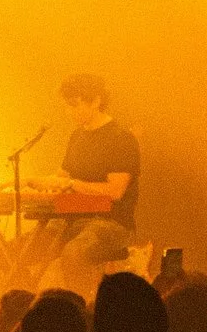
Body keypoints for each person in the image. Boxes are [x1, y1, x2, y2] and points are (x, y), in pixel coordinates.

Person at [20, 75, 142, 296]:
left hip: (112, 223)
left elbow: (115, 192)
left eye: (74, 104)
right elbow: (61, 179)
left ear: (95, 101)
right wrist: (28, 182)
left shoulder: (121, 139)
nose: (70, 111)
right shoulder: (77, 137)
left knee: (74, 254)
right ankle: (22, 312)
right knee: (16, 253)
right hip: (71, 221)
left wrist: (72, 184)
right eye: (67, 106)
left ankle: (87, 313)